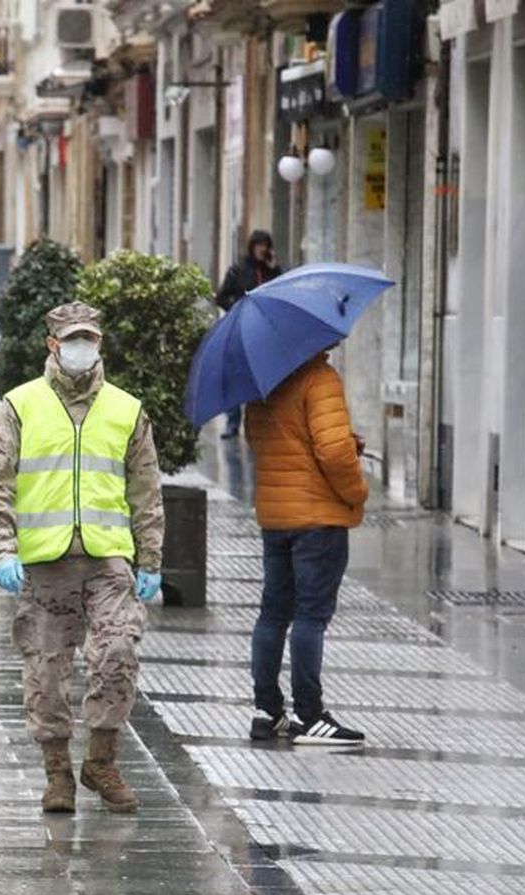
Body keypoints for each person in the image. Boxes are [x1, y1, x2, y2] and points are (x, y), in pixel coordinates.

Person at [0, 302, 164, 815]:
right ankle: (57, 773)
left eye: (90, 339)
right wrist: (2, 547)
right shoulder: (21, 405)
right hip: (43, 564)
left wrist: (150, 557)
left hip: (108, 561)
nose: (82, 348)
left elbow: (146, 489)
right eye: (72, 339)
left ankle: (101, 759)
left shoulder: (127, 410)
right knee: (46, 672)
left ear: (99, 345)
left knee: (118, 652)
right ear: (52, 345)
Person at [245, 349, 368, 745]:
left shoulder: (262, 381)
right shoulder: (320, 378)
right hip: (318, 518)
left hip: (277, 515)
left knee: (273, 613)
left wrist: (346, 443)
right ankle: (310, 715)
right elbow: (332, 453)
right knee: (311, 616)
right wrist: (357, 492)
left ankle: (267, 711)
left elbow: (263, 439)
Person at [215, 230, 283, 437]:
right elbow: (221, 297)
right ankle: (232, 420)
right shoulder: (238, 271)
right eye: (258, 245)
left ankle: (262, 420)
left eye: (265, 245)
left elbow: (282, 293)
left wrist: (275, 269)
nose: (262, 249)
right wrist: (238, 307)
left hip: (264, 333)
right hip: (241, 330)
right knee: (236, 376)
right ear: (252, 247)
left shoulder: (272, 272)